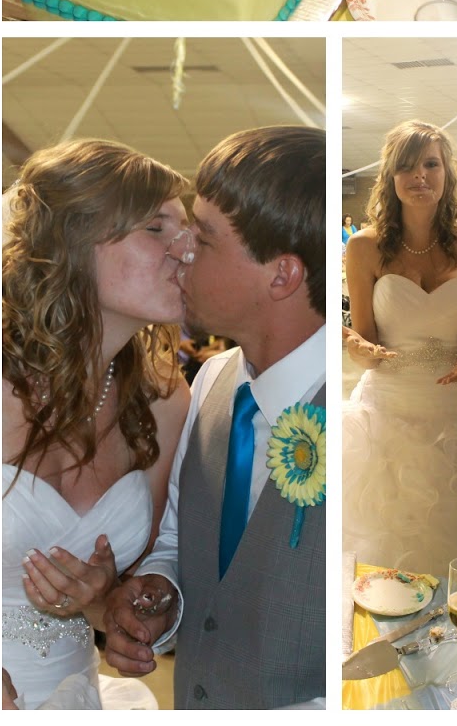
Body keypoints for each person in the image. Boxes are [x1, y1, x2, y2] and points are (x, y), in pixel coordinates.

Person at [102, 126, 328, 709]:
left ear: (282, 275)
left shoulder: (358, 423)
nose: (180, 252)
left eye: (202, 239)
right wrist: (162, 592)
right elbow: (181, 533)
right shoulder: (210, 381)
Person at [3, 141, 191, 711]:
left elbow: (132, 576)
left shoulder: (164, 400)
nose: (186, 250)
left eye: (186, 231)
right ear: (73, 243)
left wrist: (109, 602)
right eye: (156, 229)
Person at [340, 122, 457, 587]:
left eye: (430, 164)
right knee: (385, 557)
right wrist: (356, 347)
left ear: (448, 173)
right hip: (388, 415)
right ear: (390, 176)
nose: (419, 176)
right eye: (406, 166)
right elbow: (365, 344)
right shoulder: (364, 247)